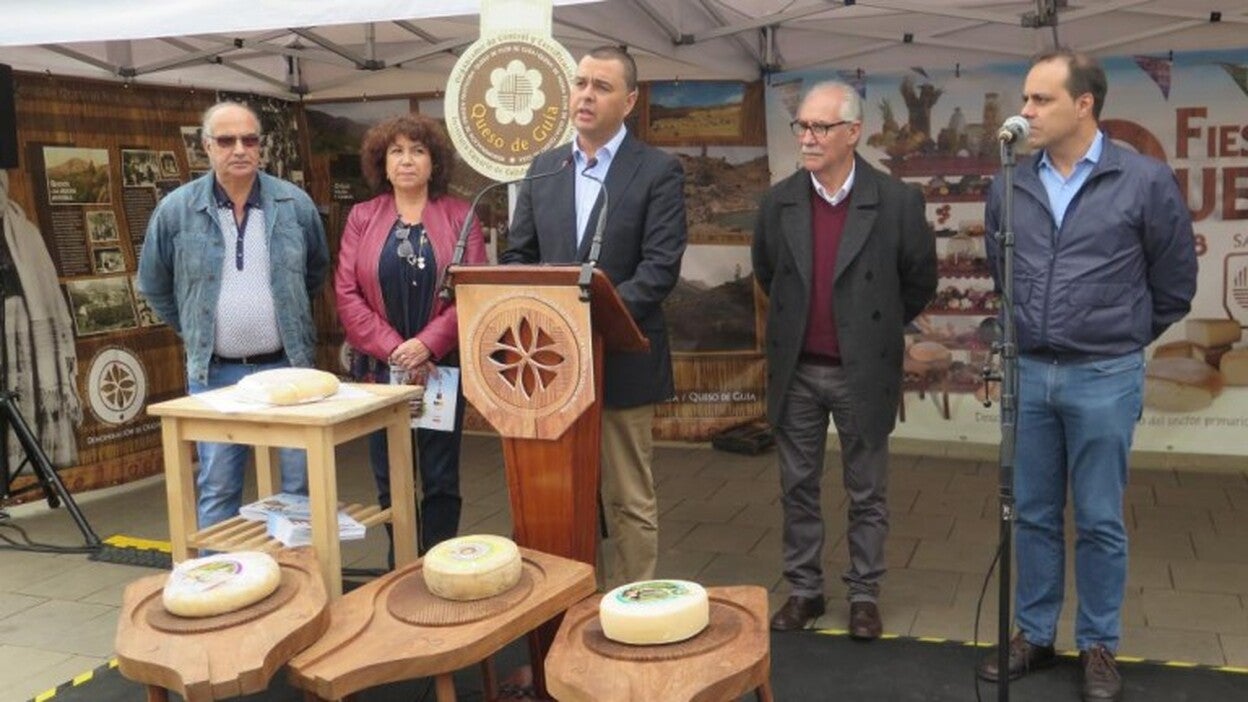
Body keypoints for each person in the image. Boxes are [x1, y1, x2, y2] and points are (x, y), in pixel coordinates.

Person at [975, 50, 1197, 702]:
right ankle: (1035, 633)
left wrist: (1119, 336)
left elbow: (1174, 285)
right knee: (1035, 515)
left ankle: (1099, 644)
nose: (1025, 111)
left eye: (1040, 100)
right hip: (1030, 374)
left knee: (1100, 518)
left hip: (1105, 375)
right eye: (1025, 98)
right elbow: (1001, 267)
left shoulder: (1144, 181)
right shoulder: (1008, 184)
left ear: (1084, 104)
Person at [752, 81, 936, 639]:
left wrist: (867, 326)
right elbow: (768, 274)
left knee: (867, 490)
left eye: (819, 128)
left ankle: (863, 594)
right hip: (798, 370)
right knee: (798, 487)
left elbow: (918, 282)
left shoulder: (897, 202)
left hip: (864, 369)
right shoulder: (778, 201)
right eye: (801, 127)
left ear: (853, 133)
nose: (806, 138)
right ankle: (804, 591)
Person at [501, 45, 687, 585]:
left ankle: (633, 613)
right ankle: (572, 611)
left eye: (601, 86)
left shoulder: (658, 171)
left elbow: (659, 268)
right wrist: (545, 324)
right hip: (551, 370)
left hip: (621, 363)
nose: (585, 94)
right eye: (580, 83)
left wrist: (587, 323)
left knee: (627, 499)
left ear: (628, 101)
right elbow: (520, 256)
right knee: (564, 501)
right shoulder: (543, 168)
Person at [137, 101, 329, 530]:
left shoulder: (294, 204)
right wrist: (196, 329)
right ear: (206, 146)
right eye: (226, 140)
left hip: (287, 371)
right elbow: (153, 283)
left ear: (261, 146)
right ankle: (216, 586)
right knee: (219, 486)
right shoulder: (176, 210)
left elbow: (315, 272)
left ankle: (299, 588)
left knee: (299, 487)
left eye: (249, 139)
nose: (239, 149)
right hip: (216, 373)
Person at [335, 114, 485, 562]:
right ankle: (401, 560)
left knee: (439, 474)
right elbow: (346, 293)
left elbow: (475, 291)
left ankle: (438, 561)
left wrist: (427, 344)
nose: (406, 160)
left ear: (433, 163)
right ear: (382, 163)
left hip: (441, 368)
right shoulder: (362, 217)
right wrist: (395, 350)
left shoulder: (462, 216)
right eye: (396, 151)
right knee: (389, 473)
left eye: (417, 151)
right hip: (379, 371)